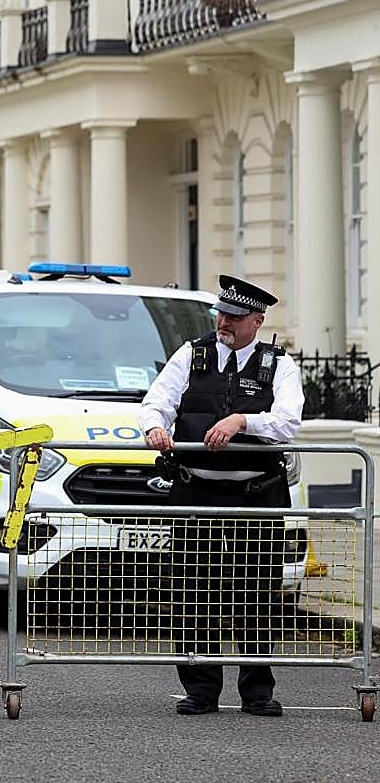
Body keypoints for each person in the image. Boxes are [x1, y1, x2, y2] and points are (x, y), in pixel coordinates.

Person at [139, 275, 303, 718]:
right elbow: (156, 401)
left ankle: (257, 691)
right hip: (197, 489)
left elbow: (288, 422)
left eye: (233, 316)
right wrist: (154, 425)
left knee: (257, 591)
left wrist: (242, 422)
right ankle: (200, 688)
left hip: (257, 493)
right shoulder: (192, 355)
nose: (223, 323)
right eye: (220, 314)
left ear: (257, 320)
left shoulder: (278, 365)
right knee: (195, 590)